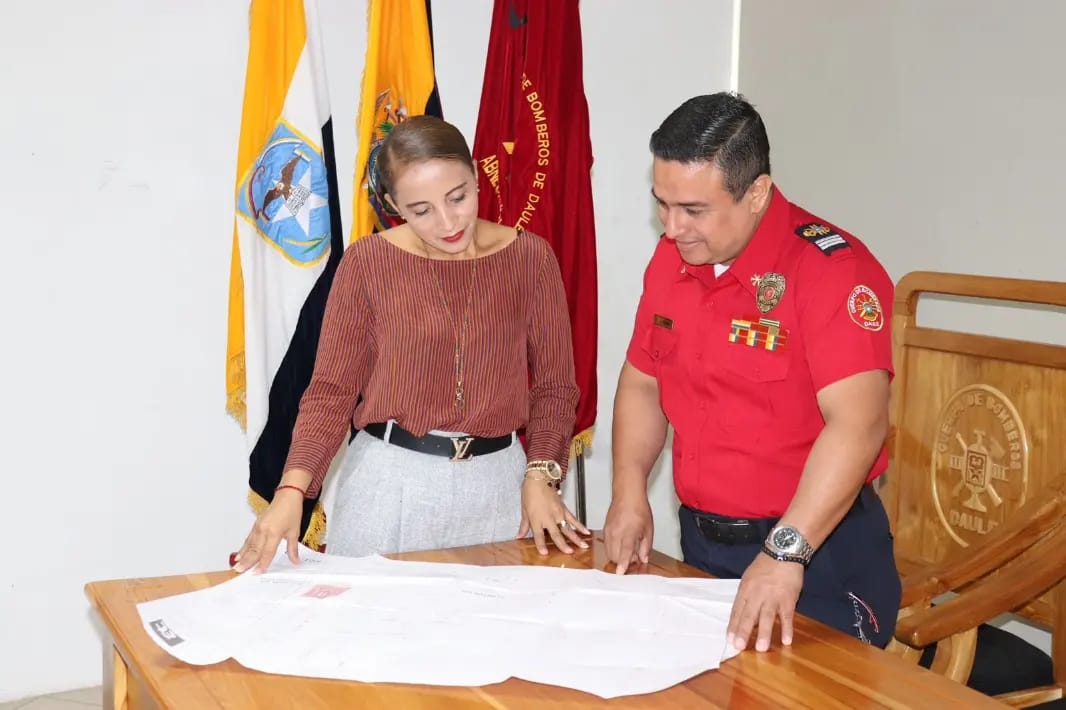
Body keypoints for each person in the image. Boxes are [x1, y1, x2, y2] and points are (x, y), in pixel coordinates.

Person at [603, 92, 901, 652]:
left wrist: (786, 553)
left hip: (816, 557)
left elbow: (858, 427)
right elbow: (644, 380)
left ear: (757, 192)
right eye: (662, 204)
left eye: (693, 210)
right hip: (704, 546)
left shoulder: (832, 273)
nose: (672, 227)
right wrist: (628, 489)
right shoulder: (673, 259)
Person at [234, 115, 589, 573]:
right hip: (391, 485)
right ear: (392, 205)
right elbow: (331, 391)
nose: (448, 222)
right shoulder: (368, 263)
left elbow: (556, 388)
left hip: (502, 486)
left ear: (476, 175)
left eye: (458, 197)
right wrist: (291, 490)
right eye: (421, 210)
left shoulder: (530, 257)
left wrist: (541, 475)